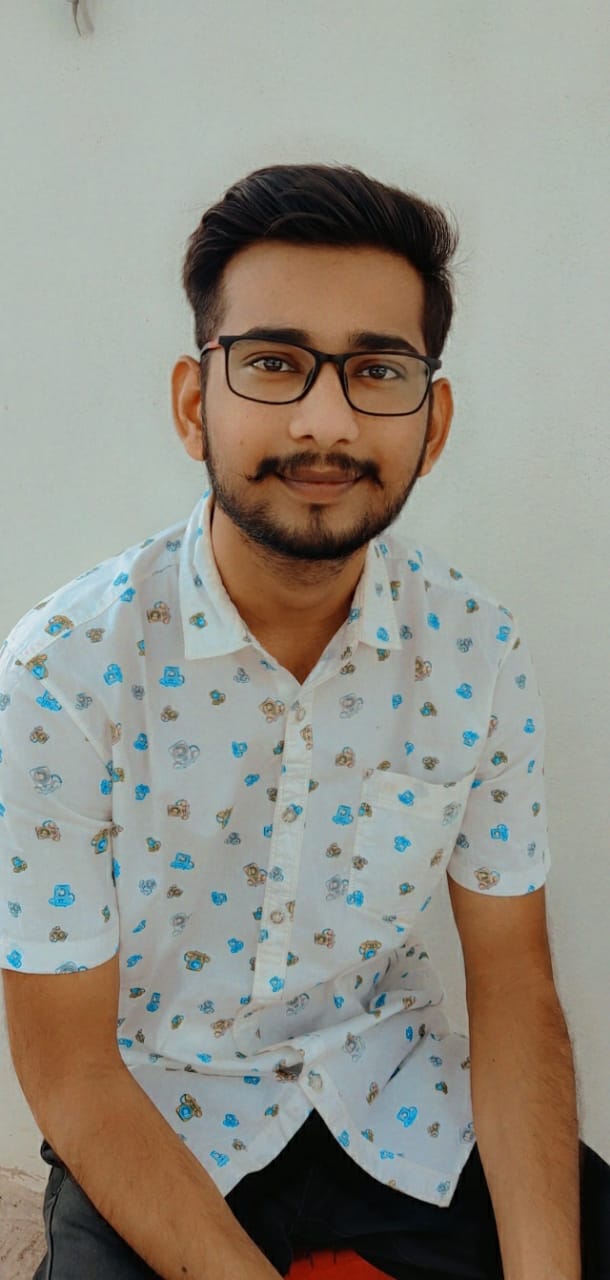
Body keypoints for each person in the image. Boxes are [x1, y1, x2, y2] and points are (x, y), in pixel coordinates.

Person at [1, 163, 608, 1280]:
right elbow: (69, 1066)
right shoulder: (62, 672)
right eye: (275, 362)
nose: (325, 421)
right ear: (195, 402)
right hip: (157, 1116)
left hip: (399, 1100)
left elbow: (514, 987)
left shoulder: (474, 650)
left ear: (432, 422)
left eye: (378, 370)